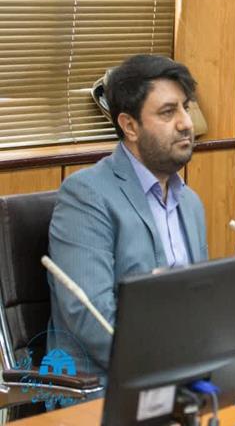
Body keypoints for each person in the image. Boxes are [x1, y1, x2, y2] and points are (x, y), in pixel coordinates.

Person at [47, 55, 208, 377]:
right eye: (167, 112)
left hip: (184, 377)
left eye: (186, 107)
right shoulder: (86, 195)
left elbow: (200, 303)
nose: (186, 123)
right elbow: (91, 318)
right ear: (130, 126)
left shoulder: (189, 203)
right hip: (107, 385)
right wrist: (171, 366)